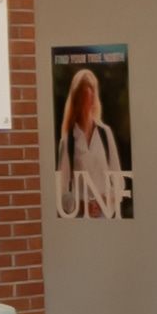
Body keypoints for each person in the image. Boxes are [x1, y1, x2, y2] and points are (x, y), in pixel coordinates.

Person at [55, 66, 127, 220]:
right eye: (85, 91)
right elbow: (61, 195)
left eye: (92, 89)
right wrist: (81, 205)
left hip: (107, 220)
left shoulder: (105, 134)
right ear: (76, 98)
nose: (90, 94)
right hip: (80, 222)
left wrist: (106, 198)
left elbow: (119, 183)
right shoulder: (67, 141)